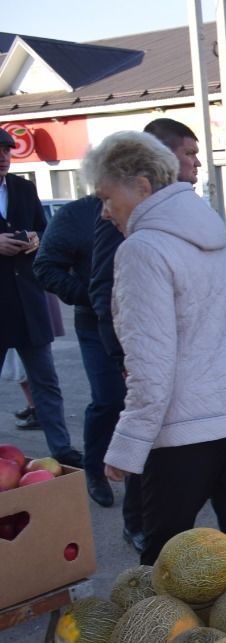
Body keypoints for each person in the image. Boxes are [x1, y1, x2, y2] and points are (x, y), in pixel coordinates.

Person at [83, 131, 226, 566]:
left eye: (105, 196)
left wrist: (124, 451)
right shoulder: (221, 239)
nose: (104, 210)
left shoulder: (141, 250)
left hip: (184, 437)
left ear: (142, 186)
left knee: (166, 574)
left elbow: (149, 368)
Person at [0, 127, 82, 469]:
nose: (3, 158)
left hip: (28, 302)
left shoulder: (23, 187)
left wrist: (37, 239)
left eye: (7, 152)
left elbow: (45, 229)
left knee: (46, 381)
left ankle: (61, 449)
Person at [33, 194, 121, 507]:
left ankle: (154, 474)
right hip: (95, 324)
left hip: (149, 320)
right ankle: (94, 470)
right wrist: (88, 296)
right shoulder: (76, 214)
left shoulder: (152, 206)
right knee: (109, 399)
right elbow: (44, 267)